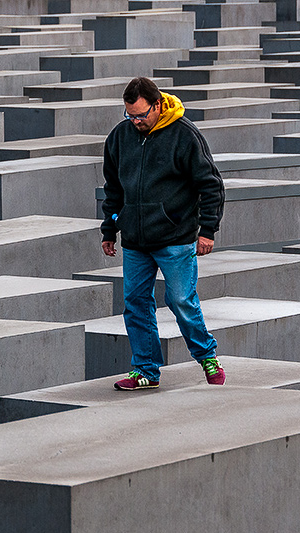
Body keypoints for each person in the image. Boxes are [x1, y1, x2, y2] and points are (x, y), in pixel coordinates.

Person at [101, 76, 226, 390]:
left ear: (157, 105)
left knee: (181, 300)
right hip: (135, 240)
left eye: (141, 115)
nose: (136, 122)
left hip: (175, 238)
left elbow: (211, 186)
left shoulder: (184, 136)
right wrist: (109, 228)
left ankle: (207, 356)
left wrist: (207, 230)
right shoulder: (120, 137)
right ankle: (146, 370)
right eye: (130, 116)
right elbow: (113, 188)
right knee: (135, 303)